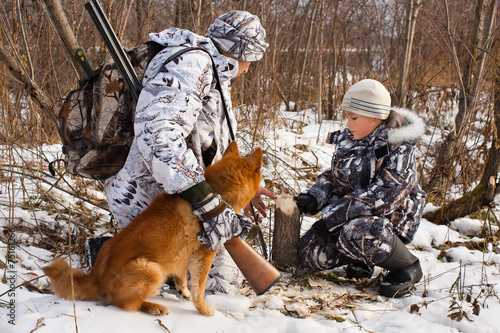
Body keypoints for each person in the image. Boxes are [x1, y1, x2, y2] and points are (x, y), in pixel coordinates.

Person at [102, 10, 276, 294]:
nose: (249, 68)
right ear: (238, 52)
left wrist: (248, 187)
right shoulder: (192, 64)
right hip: (149, 192)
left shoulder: (216, 72)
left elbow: (214, 142)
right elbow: (159, 137)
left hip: (180, 193)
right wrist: (207, 202)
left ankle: (123, 257)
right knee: (216, 287)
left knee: (222, 279)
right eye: (250, 60)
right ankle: (109, 258)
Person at [294, 79, 427, 298]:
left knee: (358, 231)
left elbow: (384, 197)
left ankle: (407, 266)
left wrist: (329, 220)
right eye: (347, 117)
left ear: (376, 117)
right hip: (351, 217)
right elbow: (335, 176)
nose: (348, 123)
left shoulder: (399, 146)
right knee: (309, 253)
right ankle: (361, 259)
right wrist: (314, 196)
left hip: (389, 221)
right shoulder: (352, 138)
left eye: (353, 117)